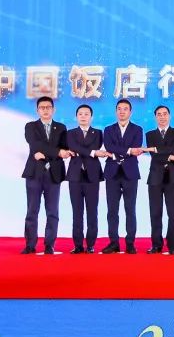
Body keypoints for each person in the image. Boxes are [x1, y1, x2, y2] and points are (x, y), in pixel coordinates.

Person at [21, 96, 69, 254]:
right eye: (42, 108)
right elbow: (35, 144)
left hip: (53, 174)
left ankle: (49, 245)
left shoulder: (61, 128)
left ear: (53, 109)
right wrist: (56, 152)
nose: (45, 110)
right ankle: (30, 245)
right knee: (32, 211)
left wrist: (45, 153)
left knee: (52, 212)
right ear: (37, 110)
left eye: (48, 107)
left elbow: (64, 149)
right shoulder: (31, 126)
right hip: (34, 173)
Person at [100, 98, 144, 255]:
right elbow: (109, 146)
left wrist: (119, 152)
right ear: (116, 111)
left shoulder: (137, 129)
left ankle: (130, 243)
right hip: (112, 173)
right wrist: (128, 151)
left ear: (130, 112)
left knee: (130, 209)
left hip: (130, 173)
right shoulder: (108, 129)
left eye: (125, 109)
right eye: (119, 108)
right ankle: (114, 243)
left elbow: (136, 147)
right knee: (112, 210)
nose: (122, 111)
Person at [145, 105, 174, 255]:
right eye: (159, 114)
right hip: (155, 177)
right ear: (155, 117)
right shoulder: (150, 134)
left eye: (165, 114)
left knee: (172, 211)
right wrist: (173, 157)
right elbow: (154, 156)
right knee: (155, 212)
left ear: (169, 116)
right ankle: (156, 244)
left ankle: (173, 245)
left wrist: (157, 150)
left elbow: (172, 148)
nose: (162, 117)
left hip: (173, 176)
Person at [66, 104, 103, 254]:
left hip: (92, 175)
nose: (83, 116)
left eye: (86, 114)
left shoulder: (98, 133)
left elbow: (92, 146)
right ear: (76, 116)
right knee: (77, 212)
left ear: (91, 117)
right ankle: (78, 245)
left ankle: (91, 244)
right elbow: (73, 146)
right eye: (80, 114)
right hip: (75, 175)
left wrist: (81, 151)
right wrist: (92, 153)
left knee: (92, 211)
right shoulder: (70, 133)